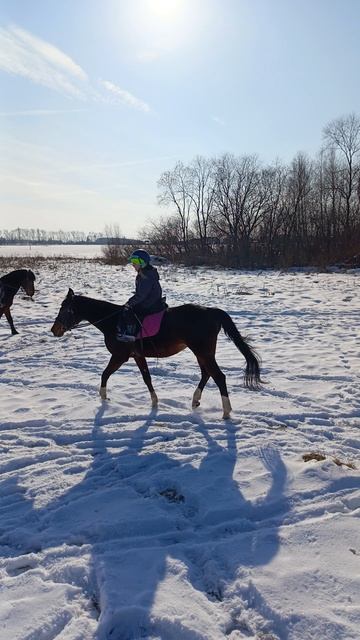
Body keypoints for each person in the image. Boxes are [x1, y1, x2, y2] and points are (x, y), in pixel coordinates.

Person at [117, 249, 165, 341]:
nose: (133, 264)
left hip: (150, 303)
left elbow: (141, 295)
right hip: (150, 300)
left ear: (142, 263)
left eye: (135, 261)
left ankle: (131, 334)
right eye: (132, 261)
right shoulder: (145, 273)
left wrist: (129, 303)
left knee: (129, 312)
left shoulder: (146, 276)